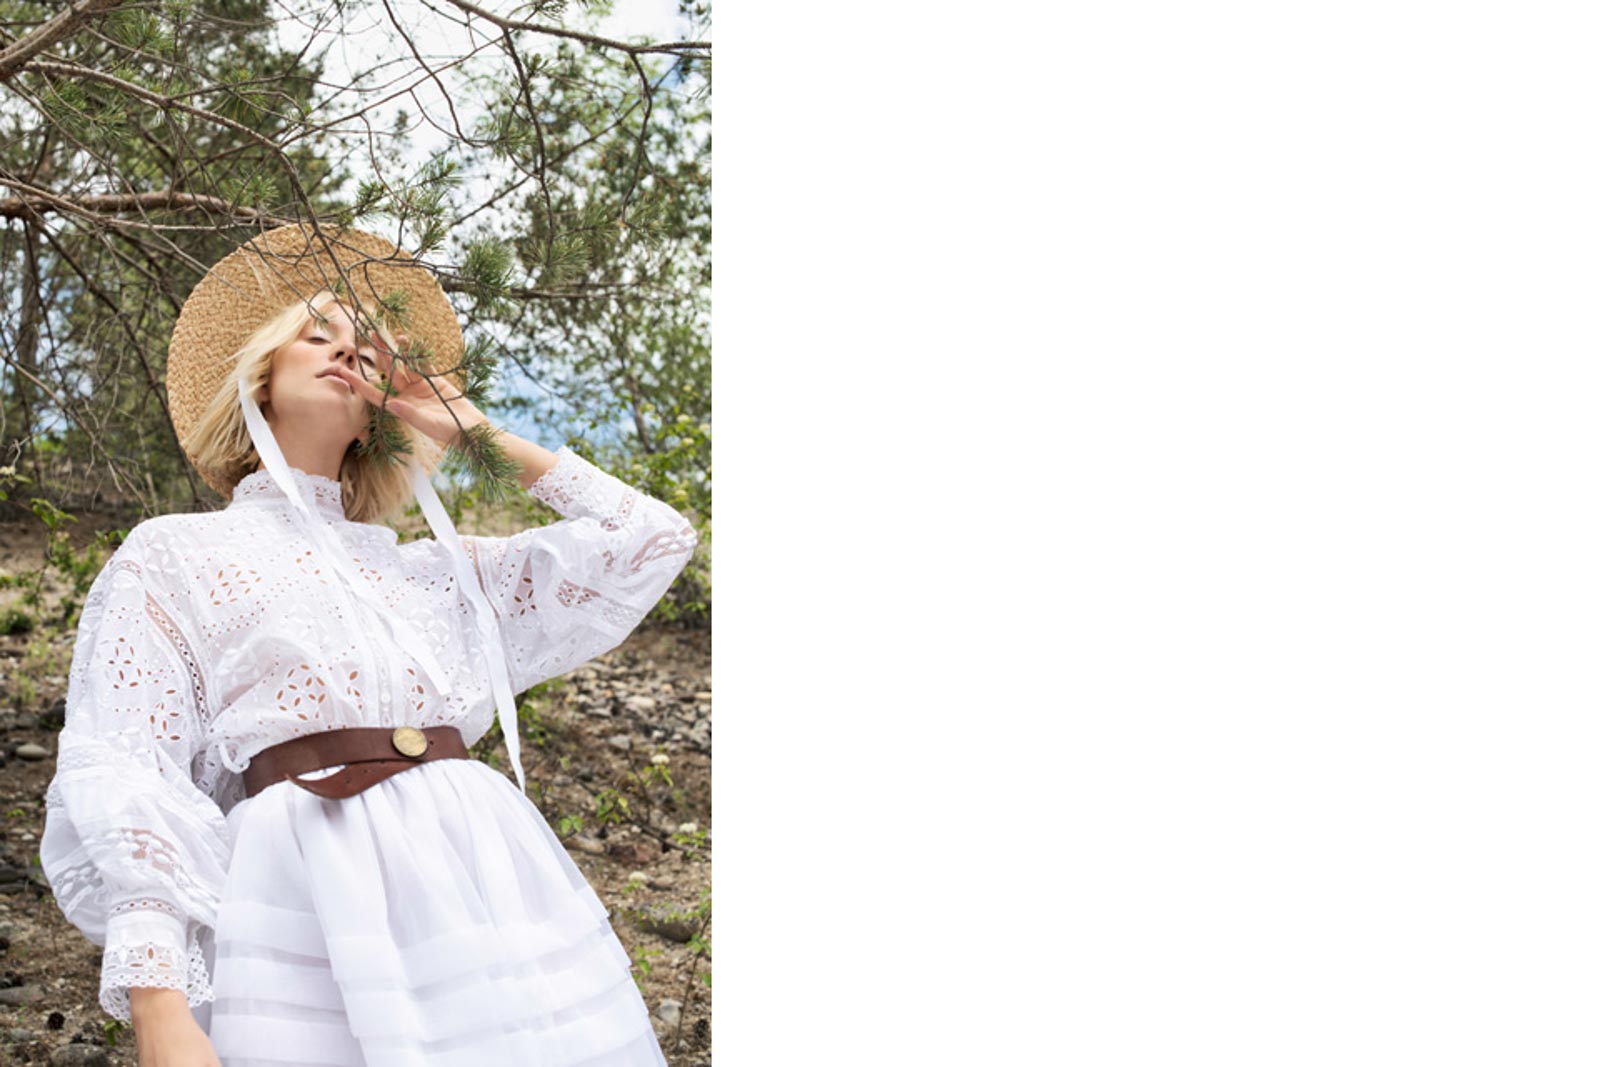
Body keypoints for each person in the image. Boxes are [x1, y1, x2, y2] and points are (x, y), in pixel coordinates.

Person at [38, 224, 699, 1065]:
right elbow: (126, 766)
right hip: (304, 888)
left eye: (368, 350)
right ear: (260, 376)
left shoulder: (435, 571)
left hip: (482, 880)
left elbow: (652, 541)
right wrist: (159, 1007)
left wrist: (466, 427)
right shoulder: (174, 553)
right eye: (319, 334)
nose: (348, 352)